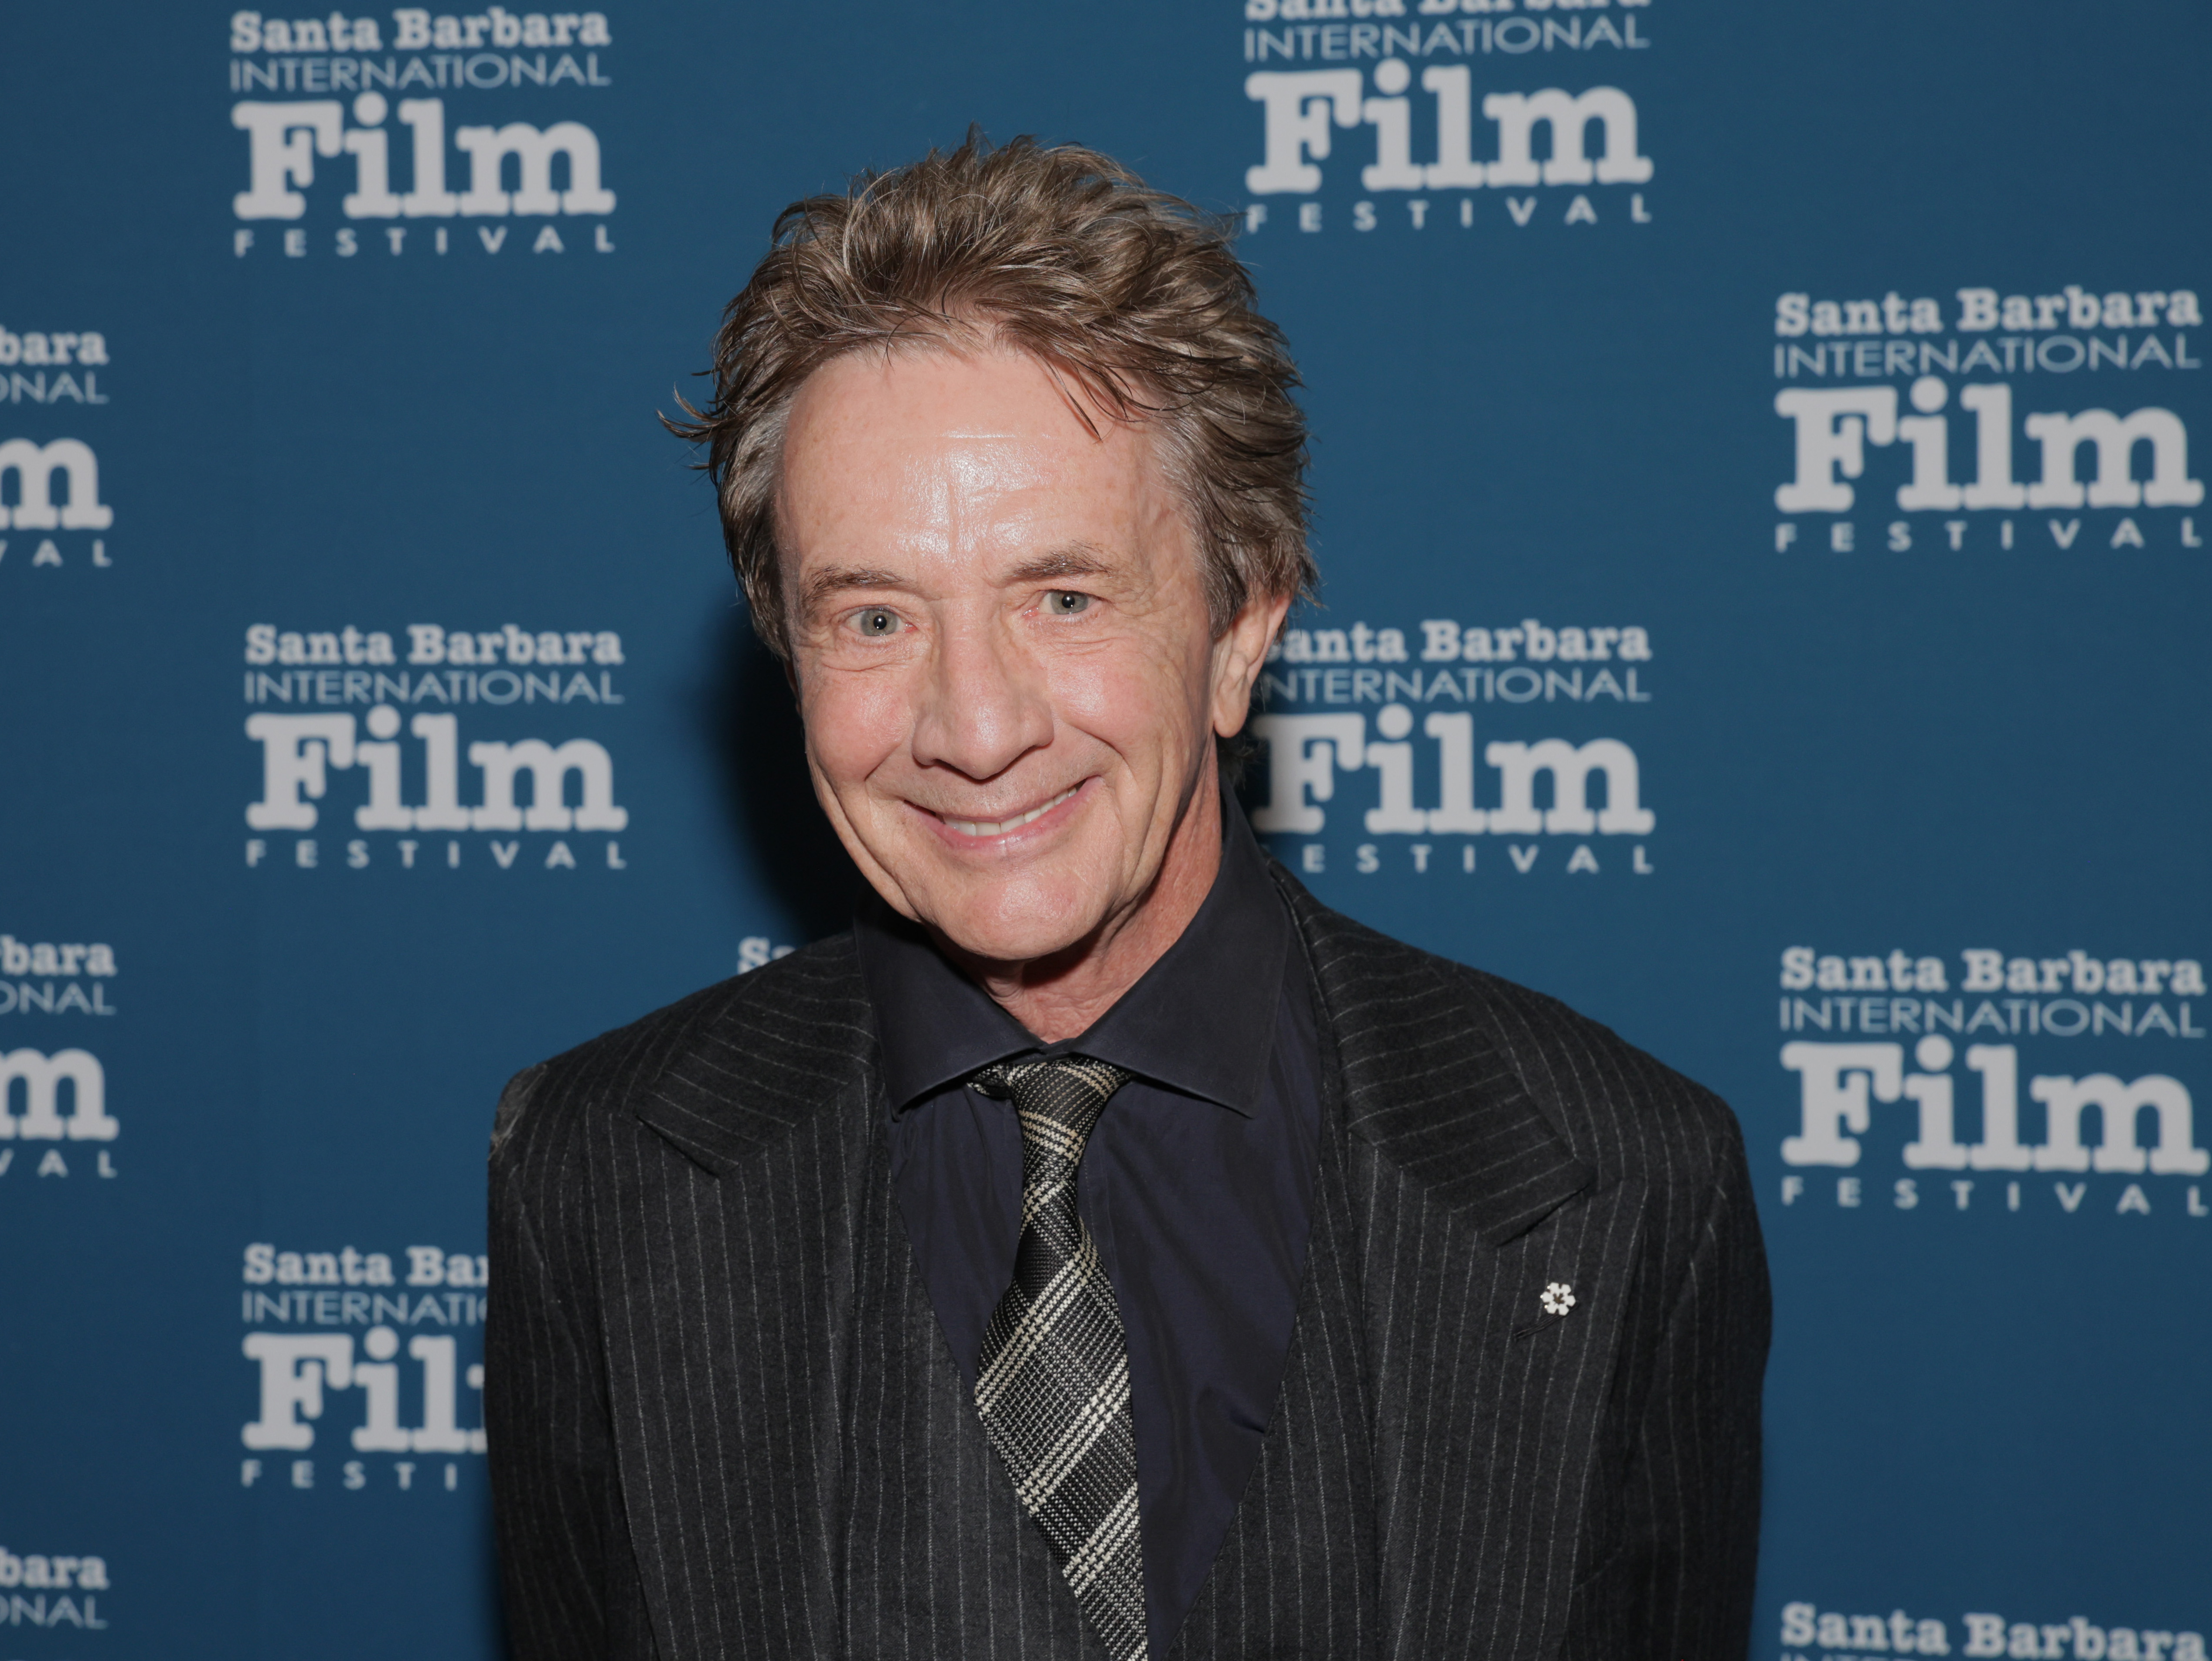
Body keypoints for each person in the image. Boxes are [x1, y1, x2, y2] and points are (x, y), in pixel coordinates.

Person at [486, 134, 1769, 1661]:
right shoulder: (597, 1176)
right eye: (876, 614)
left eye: (1065, 597)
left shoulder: (1617, 1178)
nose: (973, 727)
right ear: (789, 655)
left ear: (1239, 628)